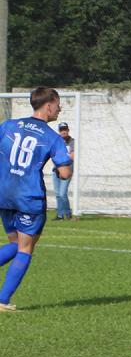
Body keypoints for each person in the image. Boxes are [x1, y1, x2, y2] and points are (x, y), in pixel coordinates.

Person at [0, 87, 74, 311]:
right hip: (28, 197)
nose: (60, 109)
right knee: (25, 248)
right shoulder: (52, 137)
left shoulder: (9, 125)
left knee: (16, 243)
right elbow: (64, 174)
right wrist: (66, 161)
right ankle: (2, 301)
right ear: (49, 104)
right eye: (58, 104)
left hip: (4, 194)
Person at [53, 122, 75, 220]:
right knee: (58, 194)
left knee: (62, 193)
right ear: (59, 131)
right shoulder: (56, 141)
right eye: (62, 130)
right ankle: (60, 215)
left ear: (68, 130)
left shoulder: (72, 141)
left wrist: (61, 157)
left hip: (67, 169)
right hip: (56, 169)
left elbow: (72, 156)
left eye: (65, 129)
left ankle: (68, 213)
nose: (63, 132)